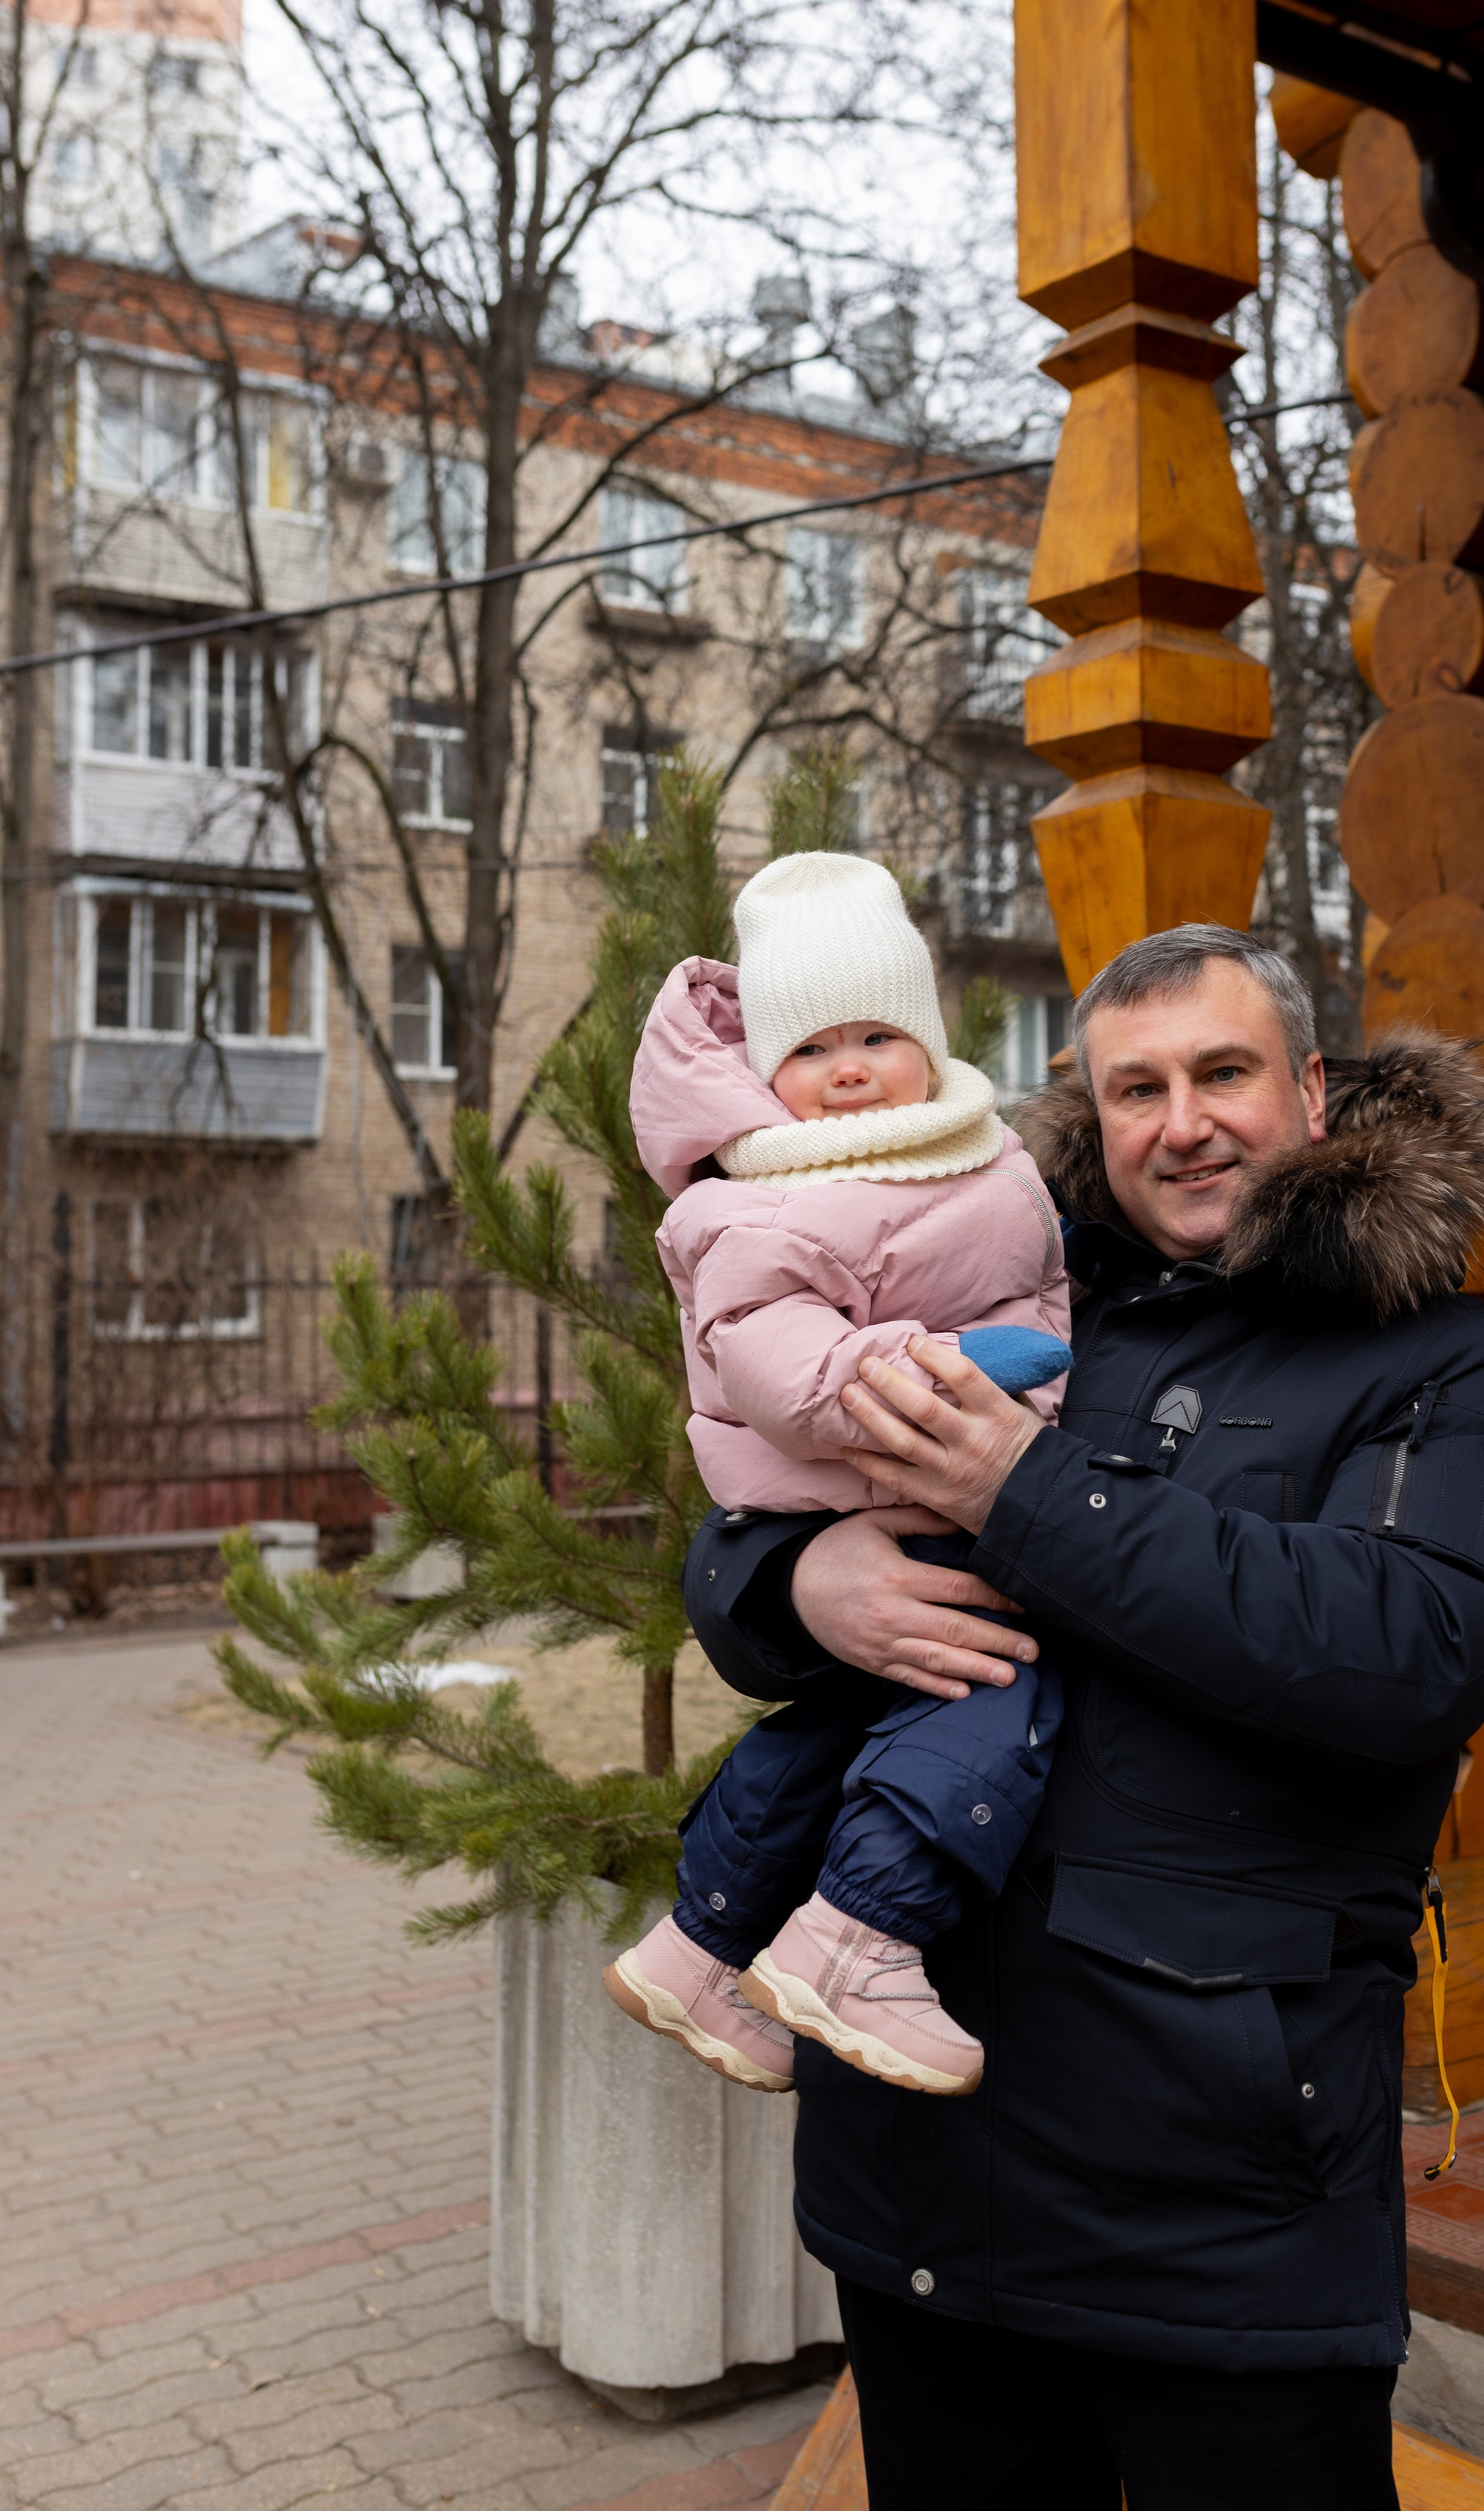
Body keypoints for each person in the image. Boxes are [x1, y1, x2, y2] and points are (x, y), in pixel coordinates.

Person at [683, 924, 1484, 2511]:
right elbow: (746, 1522)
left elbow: (1413, 1650)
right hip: (923, 2176)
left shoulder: (1443, 1359)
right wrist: (799, 1584)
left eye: (1223, 1073)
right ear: (1090, 1112)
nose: (1183, 1123)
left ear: (1309, 1090)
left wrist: (1023, 1492)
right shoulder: (997, 1286)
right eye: (1136, 1088)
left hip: (1218, 2192)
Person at [608, 850, 1072, 2100]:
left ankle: (703, 1944)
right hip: (873, 1482)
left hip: (936, 1482)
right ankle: (860, 1935)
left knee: (836, 1734)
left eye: (877, 1035)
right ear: (764, 1076)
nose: (851, 1068)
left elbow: (1031, 1279)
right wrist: (936, 1367)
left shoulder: (974, 1151)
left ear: (929, 1041)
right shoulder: (757, 1200)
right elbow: (782, 1371)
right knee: (997, 1687)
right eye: (811, 1049)